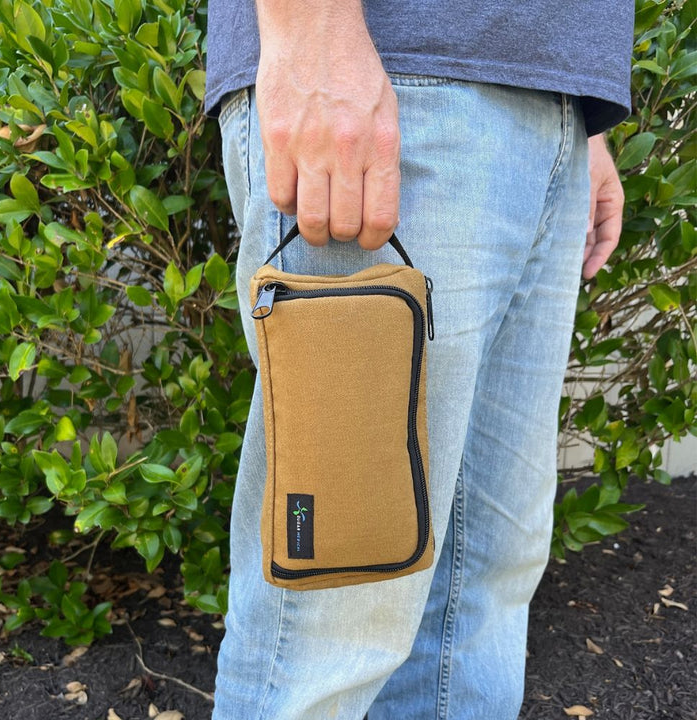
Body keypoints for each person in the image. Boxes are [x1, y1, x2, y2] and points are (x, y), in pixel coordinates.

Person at [206, 2, 633, 718]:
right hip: (390, 76)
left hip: (547, 103)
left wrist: (577, 123)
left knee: (480, 589)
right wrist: (313, 35)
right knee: (329, 622)